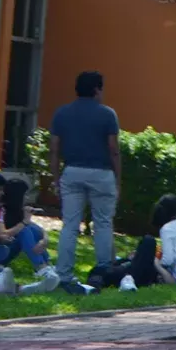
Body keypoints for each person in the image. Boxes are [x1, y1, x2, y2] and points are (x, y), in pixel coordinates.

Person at [50, 70, 120, 278]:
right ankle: (104, 270)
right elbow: (114, 150)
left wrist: (55, 178)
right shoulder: (108, 114)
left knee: (70, 224)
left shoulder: (61, 113)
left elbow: (54, 149)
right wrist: (118, 180)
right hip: (102, 173)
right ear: (97, 89)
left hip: (71, 171)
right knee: (103, 223)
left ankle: (63, 272)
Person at [0, 172, 54, 279]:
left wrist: (45, 239)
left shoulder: (14, 211)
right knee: (22, 231)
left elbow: (34, 227)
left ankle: (47, 265)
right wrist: (24, 222)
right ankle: (40, 267)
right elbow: (0, 235)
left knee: (28, 230)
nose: (2, 193)